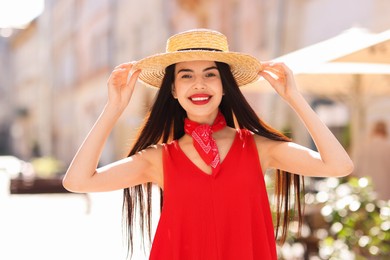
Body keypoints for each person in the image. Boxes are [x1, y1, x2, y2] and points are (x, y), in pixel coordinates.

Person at [63, 29, 354, 259]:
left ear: (225, 87)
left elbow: (338, 165)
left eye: (210, 75)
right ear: (174, 91)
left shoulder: (258, 147)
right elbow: (77, 181)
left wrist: (294, 98)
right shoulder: (158, 159)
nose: (199, 84)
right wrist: (113, 108)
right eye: (186, 76)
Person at [354, 120, 390, 200]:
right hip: (386, 190)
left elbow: (354, 170)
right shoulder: (388, 147)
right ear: (385, 131)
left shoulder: (362, 147)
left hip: (366, 188)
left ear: (373, 131)